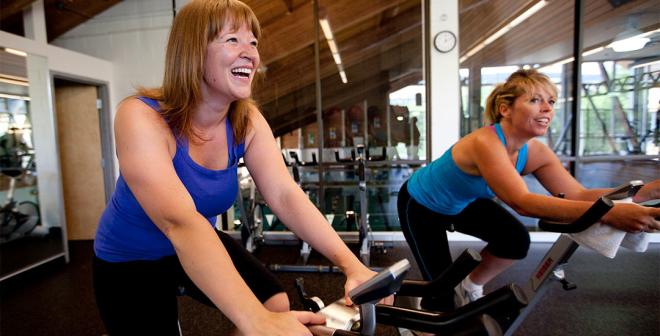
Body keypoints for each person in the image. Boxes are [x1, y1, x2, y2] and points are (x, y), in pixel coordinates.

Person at [92, 1, 377, 335]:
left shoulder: (246, 119)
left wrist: (352, 265)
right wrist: (253, 320)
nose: (250, 53)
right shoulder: (141, 117)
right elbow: (179, 222)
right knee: (254, 317)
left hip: (198, 238)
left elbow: (284, 195)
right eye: (232, 40)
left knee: (274, 304)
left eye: (253, 42)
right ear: (193, 51)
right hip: (130, 258)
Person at [397, 69, 660, 311]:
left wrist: (648, 192)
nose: (547, 108)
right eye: (535, 100)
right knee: (441, 291)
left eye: (552, 101)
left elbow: (578, 195)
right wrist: (610, 214)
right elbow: (522, 202)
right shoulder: (484, 142)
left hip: (463, 201)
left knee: (514, 241)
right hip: (421, 205)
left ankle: (470, 286)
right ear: (505, 109)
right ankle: (430, 318)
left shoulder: (534, 152)